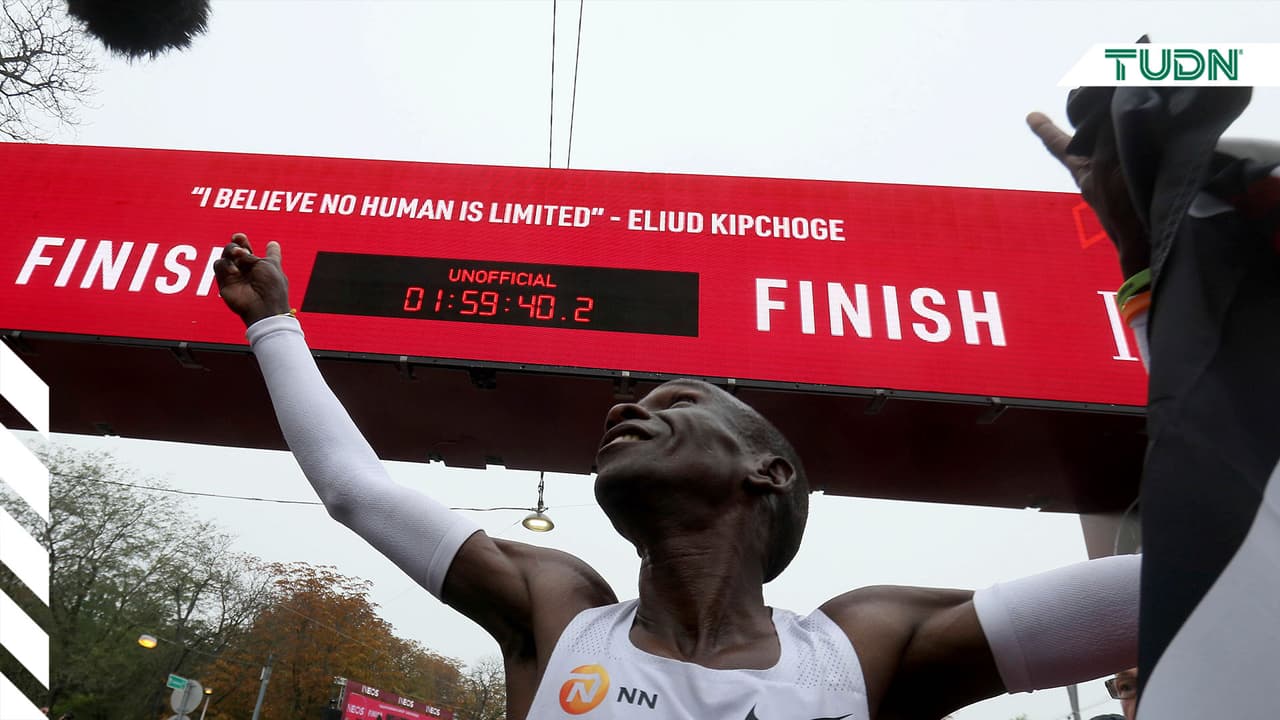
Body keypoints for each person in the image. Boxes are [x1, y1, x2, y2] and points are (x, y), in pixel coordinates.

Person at [216, 232, 1138, 720]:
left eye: (677, 399)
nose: (624, 407)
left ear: (767, 471)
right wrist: (274, 325)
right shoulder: (559, 611)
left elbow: (1188, 587)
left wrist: (1157, 264)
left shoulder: (864, 646)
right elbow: (354, 488)